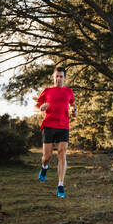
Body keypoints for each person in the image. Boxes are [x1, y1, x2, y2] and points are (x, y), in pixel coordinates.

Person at [34, 66, 77, 198]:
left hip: (64, 126)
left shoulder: (69, 91)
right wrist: (41, 108)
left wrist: (73, 111)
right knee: (47, 157)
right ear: (53, 77)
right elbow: (36, 107)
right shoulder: (47, 91)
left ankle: (60, 185)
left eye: (61, 76)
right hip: (49, 125)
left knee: (62, 154)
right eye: (56, 76)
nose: (59, 79)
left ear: (65, 78)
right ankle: (44, 167)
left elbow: (73, 107)